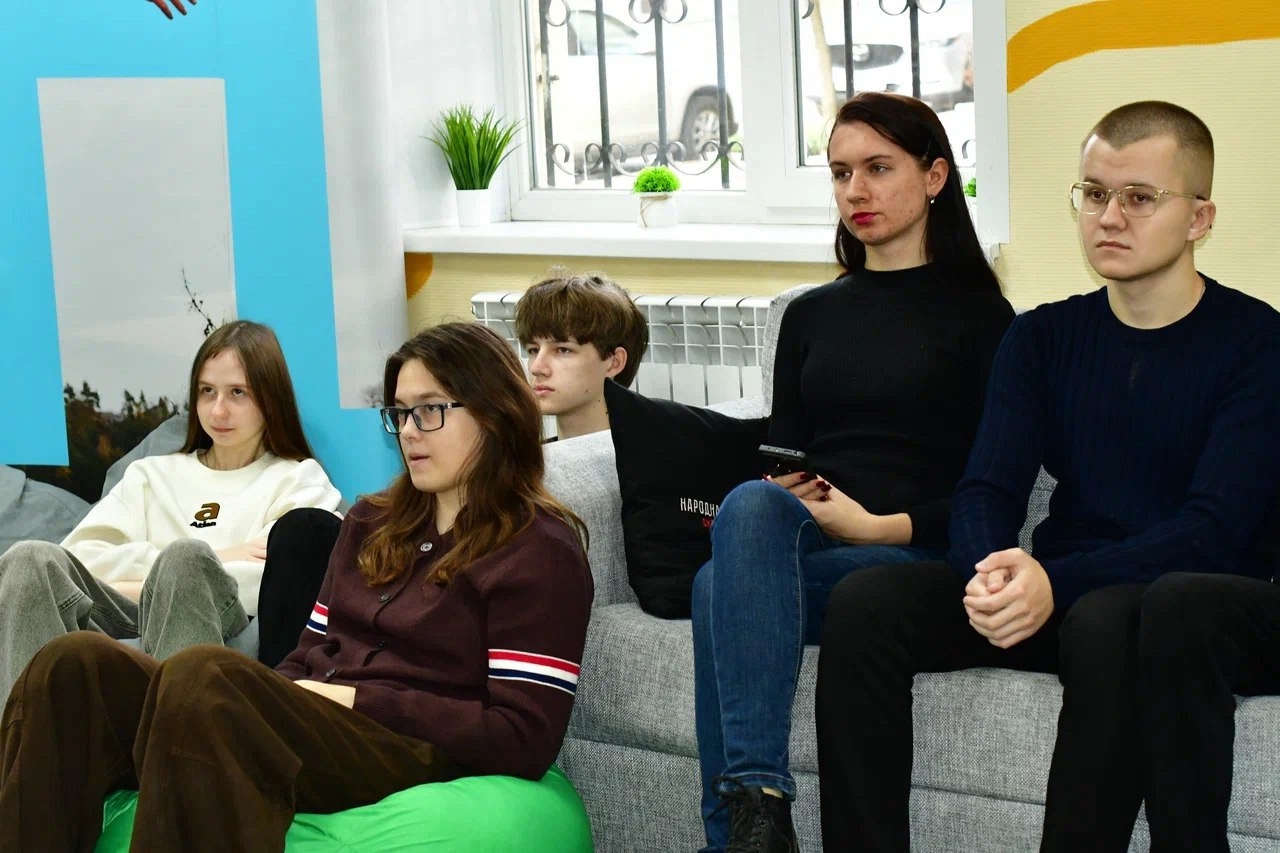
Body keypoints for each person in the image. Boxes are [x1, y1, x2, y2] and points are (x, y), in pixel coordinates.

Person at [815, 101, 1280, 852]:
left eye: (1139, 197)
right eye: (1093, 194)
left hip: (1171, 603)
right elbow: (987, 489)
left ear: (1199, 218)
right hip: (1056, 593)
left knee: (1106, 620)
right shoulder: (1042, 336)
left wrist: (1052, 583)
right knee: (868, 602)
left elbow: (1214, 531)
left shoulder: (1257, 343)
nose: (1109, 217)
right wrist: (990, 573)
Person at [0, 321, 593, 851]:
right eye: (400, 413)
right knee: (71, 665)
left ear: (493, 414)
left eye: (430, 410)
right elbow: (306, 656)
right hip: (315, 721)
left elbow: (523, 736)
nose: (410, 431)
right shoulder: (370, 522)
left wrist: (352, 700)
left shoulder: (537, 550)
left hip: (404, 744)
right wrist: (271, 698)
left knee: (204, 674)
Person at [692, 92, 1014, 853]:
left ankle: (736, 832)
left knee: (711, 588)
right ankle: (760, 802)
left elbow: (992, 490)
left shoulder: (984, 319)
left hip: (911, 554)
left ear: (934, 176)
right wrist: (789, 497)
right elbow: (787, 454)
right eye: (840, 173)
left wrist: (875, 526)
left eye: (877, 168)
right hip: (811, 536)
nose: (855, 191)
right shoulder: (808, 315)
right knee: (750, 505)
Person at [0, 320, 341, 700]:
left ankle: (181, 734)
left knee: (186, 561)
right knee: (28, 560)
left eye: (237, 393)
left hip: (227, 632)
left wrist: (172, 573)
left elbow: (281, 587)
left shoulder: (298, 481)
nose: (218, 410)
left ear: (271, 398)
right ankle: (22, 736)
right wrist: (220, 556)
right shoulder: (150, 474)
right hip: (122, 621)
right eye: (207, 391)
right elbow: (82, 558)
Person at [514, 269, 649, 440]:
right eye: (534, 350)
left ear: (614, 362)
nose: (536, 368)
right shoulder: (521, 457)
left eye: (563, 350)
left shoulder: (653, 455)